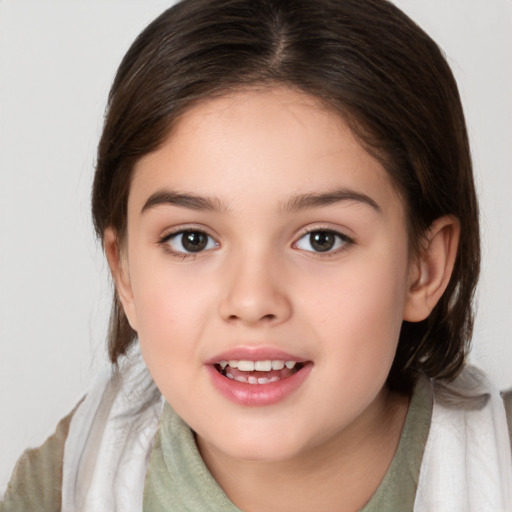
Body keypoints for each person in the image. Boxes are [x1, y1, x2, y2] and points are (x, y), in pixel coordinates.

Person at [1, 0, 511, 510]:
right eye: (192, 239)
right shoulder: (64, 486)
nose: (251, 300)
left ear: (424, 268)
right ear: (125, 272)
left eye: (321, 239)